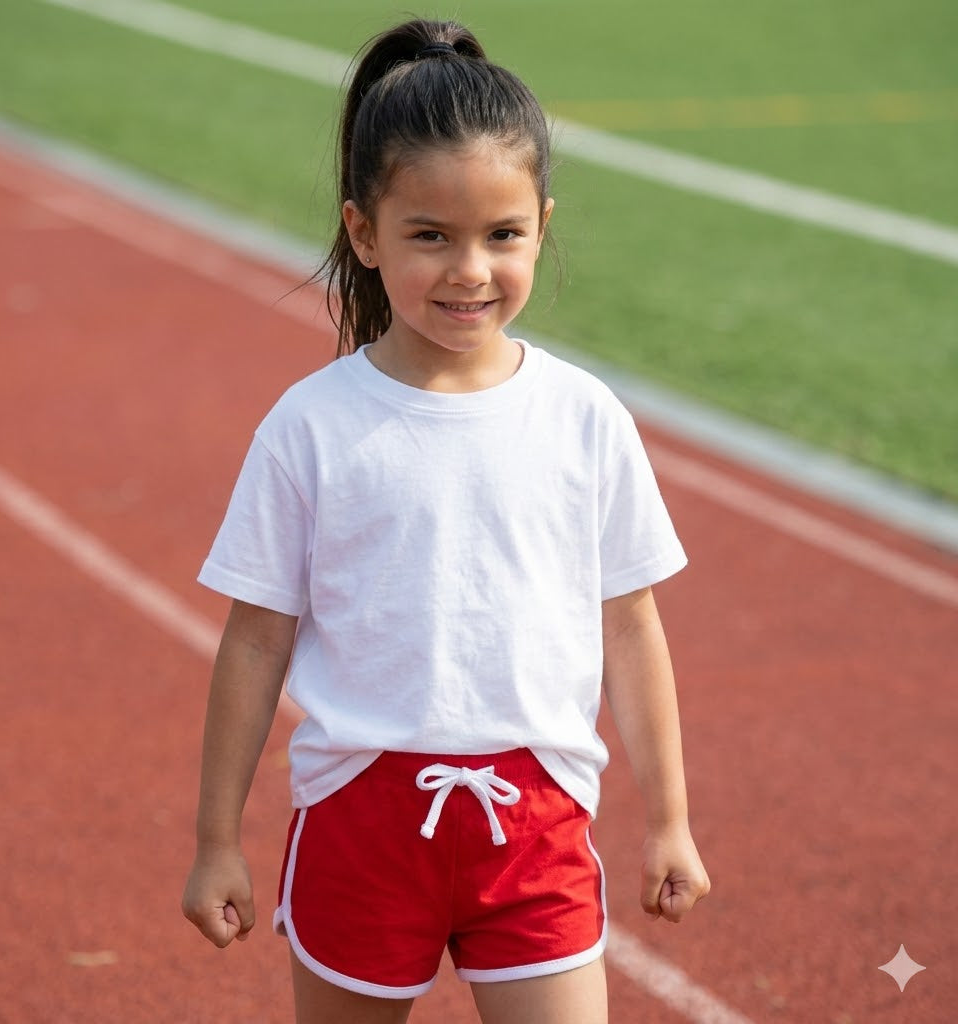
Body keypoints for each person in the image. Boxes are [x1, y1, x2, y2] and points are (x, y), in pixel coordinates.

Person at [181, 17, 710, 1024]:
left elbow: (632, 625)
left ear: (541, 225)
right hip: (360, 819)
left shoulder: (583, 417)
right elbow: (254, 639)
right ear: (363, 231)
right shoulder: (311, 427)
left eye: (501, 235)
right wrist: (216, 840)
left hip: (537, 817)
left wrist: (670, 821)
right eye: (431, 235)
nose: (471, 270)